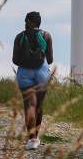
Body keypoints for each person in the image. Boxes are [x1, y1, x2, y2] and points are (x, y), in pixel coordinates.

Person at [12, 11, 54, 150]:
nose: (24, 23)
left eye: (26, 20)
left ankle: (32, 139)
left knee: (29, 105)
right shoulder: (46, 35)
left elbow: (15, 60)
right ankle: (36, 136)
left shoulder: (19, 36)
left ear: (29, 22)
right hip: (42, 72)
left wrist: (26, 61)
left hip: (24, 73)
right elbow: (50, 59)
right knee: (39, 106)